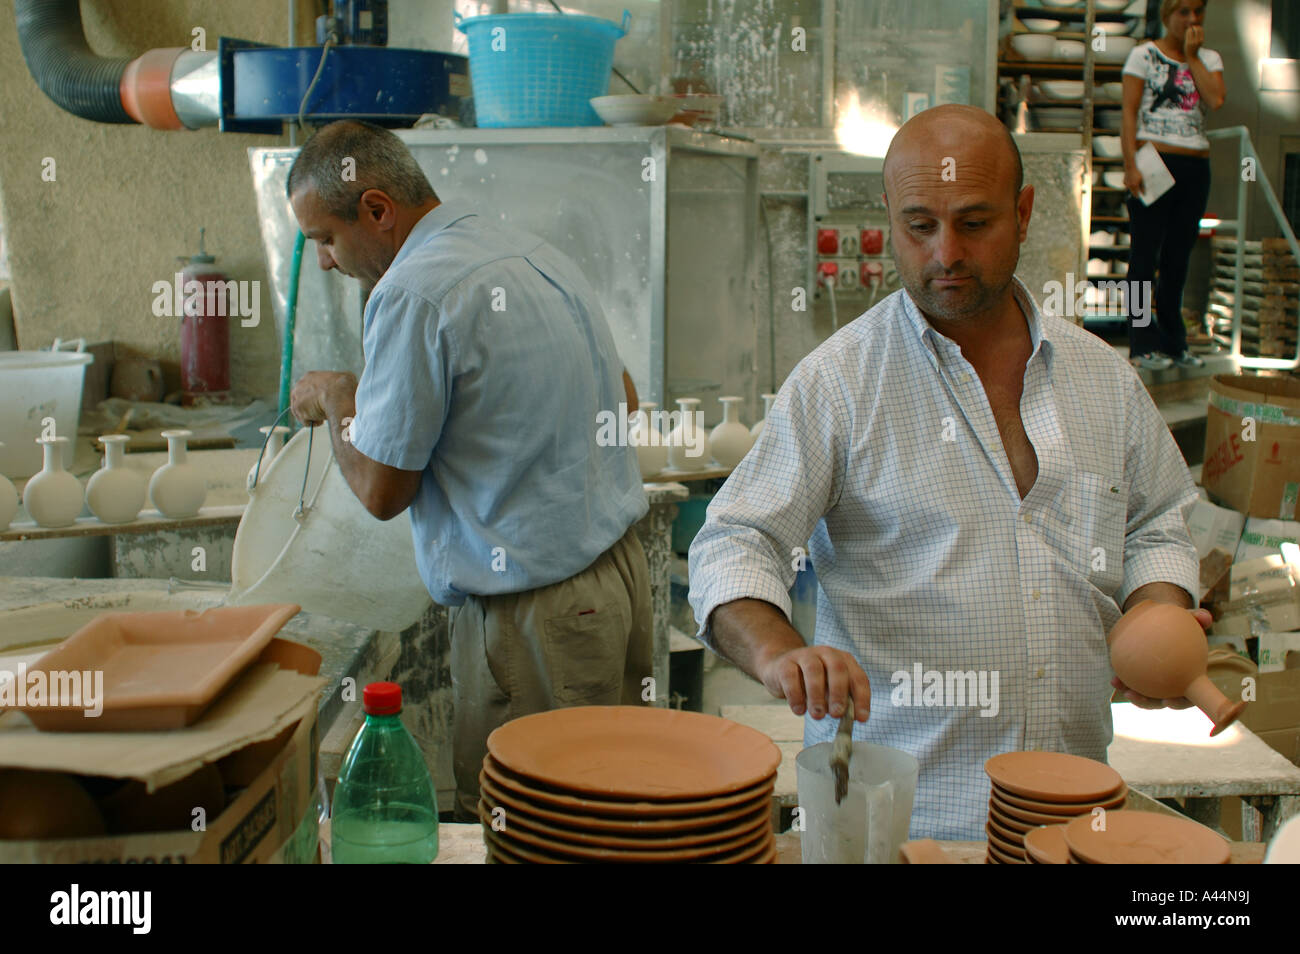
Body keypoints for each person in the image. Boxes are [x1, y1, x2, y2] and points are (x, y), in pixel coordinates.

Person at [688, 104, 1206, 840]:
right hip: (904, 829)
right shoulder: (839, 383)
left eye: (974, 222)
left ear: (1024, 213)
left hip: (1073, 822)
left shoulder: (1102, 380)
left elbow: (1156, 523)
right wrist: (779, 652)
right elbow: (733, 543)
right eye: (919, 226)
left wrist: (1158, 609)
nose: (945, 254)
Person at [285, 120, 653, 821]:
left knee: (537, 827)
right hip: (616, 584)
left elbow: (383, 489)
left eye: (326, 240)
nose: (327, 263)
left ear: (376, 209)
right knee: (611, 809)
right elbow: (624, 398)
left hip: (536, 616)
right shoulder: (527, 248)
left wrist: (339, 397)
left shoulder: (414, 293)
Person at [1121, 0, 1225, 371]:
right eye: (1183, 12)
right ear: (1167, 16)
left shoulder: (1209, 58)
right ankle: (1140, 341)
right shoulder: (1142, 55)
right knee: (1143, 257)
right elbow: (1129, 112)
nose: (1192, 19)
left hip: (1195, 163)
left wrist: (1193, 56)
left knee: (1178, 258)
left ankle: (1173, 340)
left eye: (1198, 12)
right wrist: (1130, 164)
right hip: (1153, 159)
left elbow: (1215, 99)